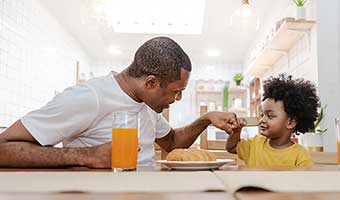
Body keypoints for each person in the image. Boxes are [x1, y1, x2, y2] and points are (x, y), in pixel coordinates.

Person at [0, 36, 238, 168]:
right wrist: (86, 156)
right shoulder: (88, 97)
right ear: (151, 82)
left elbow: (173, 142)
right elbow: (4, 148)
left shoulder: (146, 103)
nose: (177, 99)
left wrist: (205, 120)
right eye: (176, 92)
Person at [226, 74, 318, 167]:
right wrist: (236, 132)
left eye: (270, 116)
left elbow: (304, 180)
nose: (262, 120)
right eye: (262, 115)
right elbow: (231, 147)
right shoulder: (255, 144)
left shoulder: (301, 156)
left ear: (290, 122)